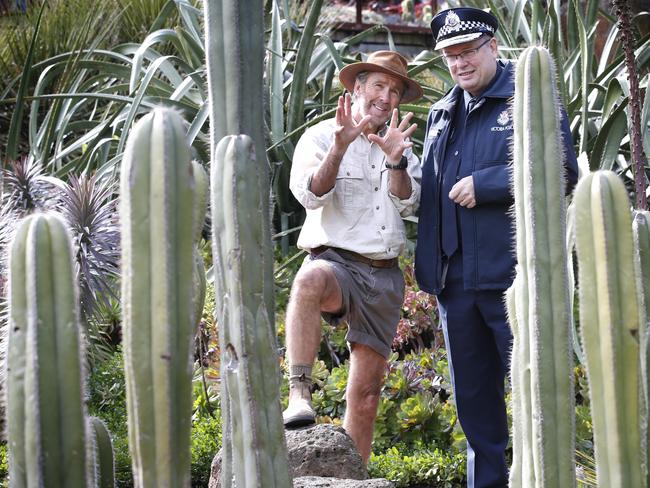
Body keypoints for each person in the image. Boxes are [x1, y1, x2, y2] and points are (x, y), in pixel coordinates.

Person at [415, 8, 579, 487]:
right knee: (475, 410)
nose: (460, 63)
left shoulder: (528, 98)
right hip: (456, 285)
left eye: (467, 51)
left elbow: (563, 171)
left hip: (513, 281)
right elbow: (431, 194)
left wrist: (486, 184)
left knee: (536, 401)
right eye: (450, 56)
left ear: (492, 46)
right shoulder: (440, 113)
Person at [284, 50, 423, 465]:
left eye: (395, 90)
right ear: (357, 88)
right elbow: (310, 193)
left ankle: (354, 476)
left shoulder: (400, 143)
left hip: (383, 274)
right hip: (337, 263)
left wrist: (396, 160)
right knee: (309, 280)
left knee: (364, 398)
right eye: (379, 85)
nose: (386, 96)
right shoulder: (322, 135)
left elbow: (410, 202)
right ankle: (298, 392)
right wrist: (339, 149)